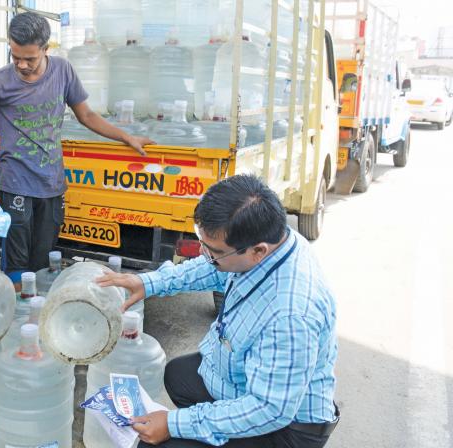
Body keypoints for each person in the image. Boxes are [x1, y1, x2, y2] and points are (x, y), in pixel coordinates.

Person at [97, 175, 339, 447]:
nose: (205, 256)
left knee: (152, 443)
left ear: (257, 251)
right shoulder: (273, 239)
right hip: (255, 385)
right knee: (178, 375)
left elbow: (270, 409)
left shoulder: (292, 315)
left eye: (214, 252)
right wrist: (147, 282)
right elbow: (209, 268)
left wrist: (175, 424)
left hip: (288, 428)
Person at [0, 12, 154, 287]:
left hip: (51, 183)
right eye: (15, 56)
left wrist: (126, 137)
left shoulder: (62, 71)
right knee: (16, 261)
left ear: (46, 49)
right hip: (14, 183)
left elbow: (86, 115)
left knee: (43, 261)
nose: (21, 64)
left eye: (29, 58)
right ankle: (16, 315)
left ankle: (37, 313)